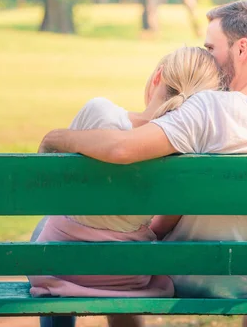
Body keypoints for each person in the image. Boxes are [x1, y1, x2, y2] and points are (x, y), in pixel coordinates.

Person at [38, 0, 247, 327]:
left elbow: (122, 150)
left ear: (242, 49)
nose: (207, 56)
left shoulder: (209, 109)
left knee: (123, 242)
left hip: (182, 272)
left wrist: (56, 139)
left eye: (211, 47)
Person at [31, 46, 224, 327]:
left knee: (47, 228)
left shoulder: (100, 112)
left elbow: (57, 193)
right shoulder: (189, 150)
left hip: (64, 268)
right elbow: (165, 223)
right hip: (127, 275)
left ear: (156, 77)